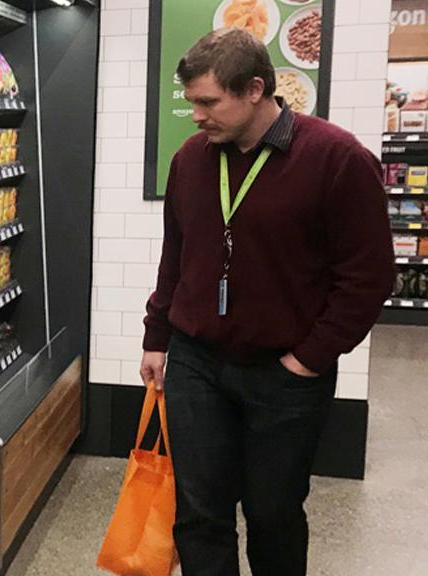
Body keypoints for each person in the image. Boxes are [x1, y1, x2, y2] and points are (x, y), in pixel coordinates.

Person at [139, 29, 395, 576]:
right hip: (196, 364)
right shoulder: (191, 159)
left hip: (284, 376)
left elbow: (369, 277)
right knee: (200, 513)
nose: (197, 116)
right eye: (191, 103)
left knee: (273, 512)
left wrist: (308, 359)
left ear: (256, 89)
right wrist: (157, 337)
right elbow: (177, 256)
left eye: (208, 102)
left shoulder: (337, 158)